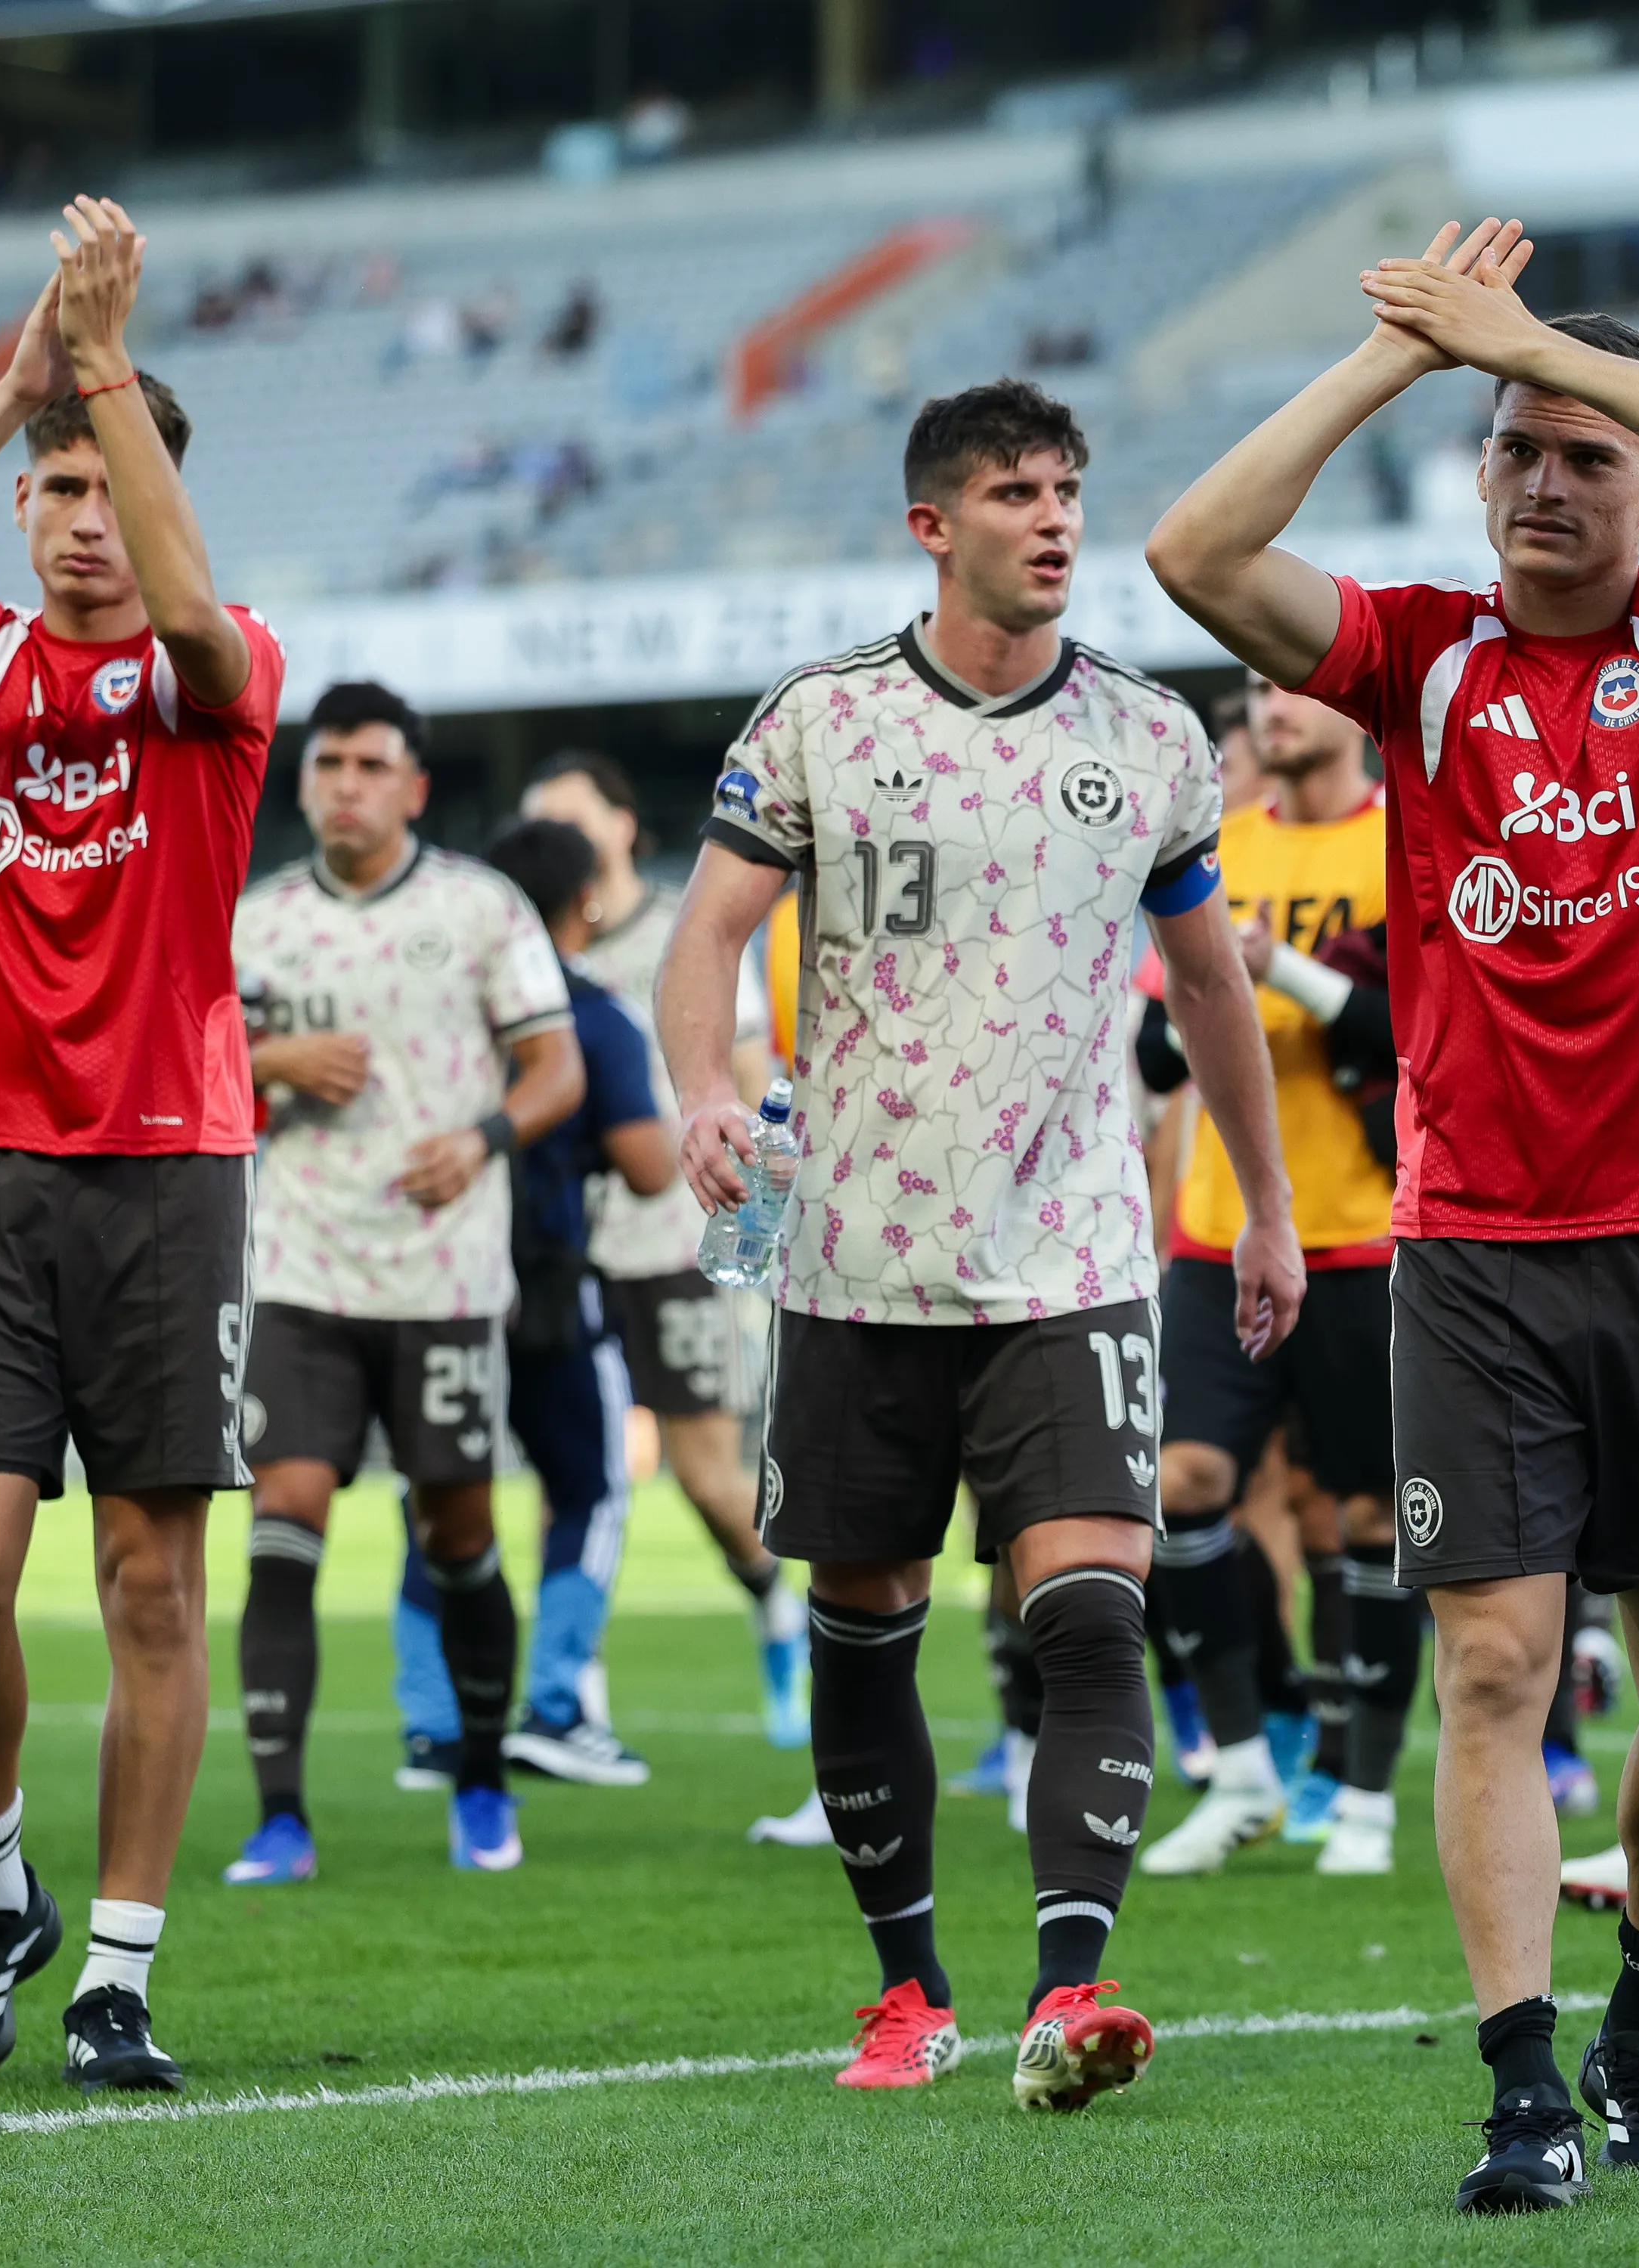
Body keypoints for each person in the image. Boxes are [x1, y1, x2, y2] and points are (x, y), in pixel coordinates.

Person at [1149, 219, 1639, 2211]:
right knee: (1489, 1671)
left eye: (1581, 454)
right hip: (1474, 1251)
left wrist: (1533, 343)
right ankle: (1526, 2083)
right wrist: (1408, 358)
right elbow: (1192, 558)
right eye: (1511, 451)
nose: (1541, 482)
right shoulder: (1419, 654)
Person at [654, 376, 1303, 2113]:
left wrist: (1259, 1199)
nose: (1054, 518)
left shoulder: (1151, 738)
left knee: (1090, 1603)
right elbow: (704, 935)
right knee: (861, 1617)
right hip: (851, 1255)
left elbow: (1212, 986)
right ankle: (906, 1991)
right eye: (1015, 492)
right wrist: (707, 1095)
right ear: (934, 525)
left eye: (1069, 488)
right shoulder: (819, 723)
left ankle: (1069, 1983)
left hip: (1071, 1252)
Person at [0, 198, 284, 2093]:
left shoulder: (223, 658)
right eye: (57, 486)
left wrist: (103, 372)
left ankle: (116, 1972)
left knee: (152, 1587)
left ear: (154, 483)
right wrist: (15, 386)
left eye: (110, 480)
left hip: (171, 1164)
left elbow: (184, 621)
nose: (82, 514)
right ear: (21, 505)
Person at [221, 680, 581, 1887]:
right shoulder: (260, 923)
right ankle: (281, 1819)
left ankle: (481, 1780)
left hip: (444, 1277)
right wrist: (272, 1056)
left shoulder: (482, 911)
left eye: (372, 766)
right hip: (301, 1270)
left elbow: (556, 1067)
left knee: (458, 1532)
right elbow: (194, 1061)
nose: (345, 785)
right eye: (327, 765)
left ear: (414, 787)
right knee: (286, 1526)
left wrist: (481, 1138)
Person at [1129, 671, 1405, 1881]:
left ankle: (1364, 1795)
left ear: (1359, 709)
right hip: (1215, 1229)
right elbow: (1152, 1039)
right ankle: (1240, 1767)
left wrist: (1271, 971)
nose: (1270, 708)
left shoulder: (1415, 838)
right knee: (1182, 1482)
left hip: (1369, 1233)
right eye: (1254, 690)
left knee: (1372, 1516)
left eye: (1295, 688)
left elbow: (1416, 1029)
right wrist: (1211, 977)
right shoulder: (1215, 845)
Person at [519, 750, 806, 1749]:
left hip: (673, 1241)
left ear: (624, 826)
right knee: (577, 1477)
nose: (561, 841)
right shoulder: (524, 950)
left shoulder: (688, 929)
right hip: (568, 1251)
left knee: (706, 1476)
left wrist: (753, 1220)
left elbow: (755, 1075)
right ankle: (571, 1695)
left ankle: (774, 1599)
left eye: (576, 818)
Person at [387, 820, 680, 1798]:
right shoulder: (593, 1014)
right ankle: (556, 1709)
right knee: (591, 1489)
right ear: (585, 901)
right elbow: (650, 1170)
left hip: (436, 1285)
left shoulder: (441, 1008)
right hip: (552, 1286)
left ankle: (429, 1726)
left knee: (437, 1497)